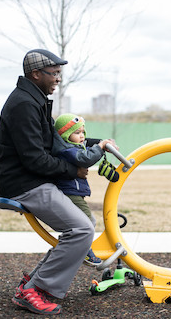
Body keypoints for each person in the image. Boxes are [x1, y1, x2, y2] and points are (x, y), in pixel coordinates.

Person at [0, 49, 100, 315]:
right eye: (54, 74)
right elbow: (34, 159)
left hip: (34, 179)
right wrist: (72, 171)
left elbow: (55, 143)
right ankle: (34, 291)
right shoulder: (24, 105)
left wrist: (97, 145)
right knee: (81, 230)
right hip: (24, 182)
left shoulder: (35, 100)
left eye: (59, 74)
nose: (58, 79)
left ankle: (33, 284)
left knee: (82, 226)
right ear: (36, 74)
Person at [52, 113, 119, 266]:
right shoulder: (67, 150)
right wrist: (100, 147)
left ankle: (78, 247)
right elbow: (85, 158)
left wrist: (103, 143)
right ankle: (85, 251)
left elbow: (85, 146)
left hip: (73, 192)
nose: (82, 136)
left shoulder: (72, 146)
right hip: (70, 193)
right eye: (77, 133)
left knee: (86, 222)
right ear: (65, 134)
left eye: (83, 132)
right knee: (87, 222)